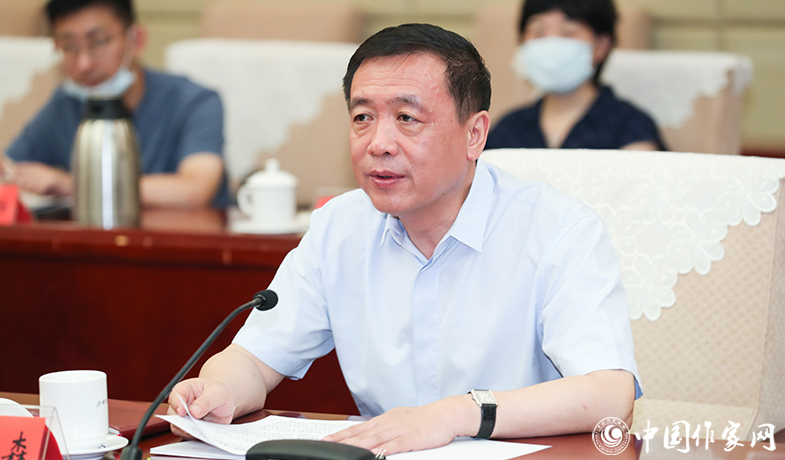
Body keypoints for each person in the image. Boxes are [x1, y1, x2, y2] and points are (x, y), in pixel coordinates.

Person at [169, 23, 641, 456]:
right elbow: (253, 360)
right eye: (362, 117)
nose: (378, 143)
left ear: (474, 134)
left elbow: (609, 394)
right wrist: (220, 390)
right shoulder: (339, 228)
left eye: (407, 118)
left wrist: (454, 415)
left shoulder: (558, 231)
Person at [2, 0, 231, 208]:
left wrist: (71, 184)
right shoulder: (64, 105)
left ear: (136, 40)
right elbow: (9, 169)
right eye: (69, 47)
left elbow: (195, 189)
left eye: (98, 42)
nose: (84, 64)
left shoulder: (194, 101)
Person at [485, 0, 666, 151]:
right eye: (538, 32)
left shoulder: (630, 126)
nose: (551, 45)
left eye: (568, 32)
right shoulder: (509, 128)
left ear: (601, 46)